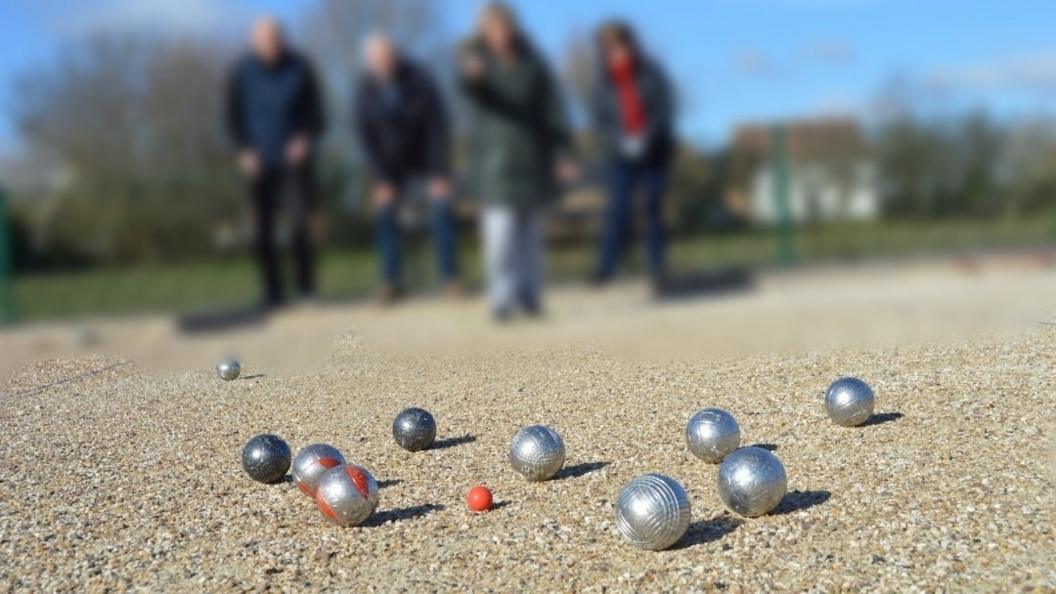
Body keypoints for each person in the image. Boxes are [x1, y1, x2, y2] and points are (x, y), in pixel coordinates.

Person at [459, 2, 577, 321]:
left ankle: (529, 295)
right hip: (495, 161)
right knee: (499, 237)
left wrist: (563, 152)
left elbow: (554, 108)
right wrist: (475, 75)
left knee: (529, 236)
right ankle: (501, 297)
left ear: (511, 27)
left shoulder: (533, 61)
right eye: (490, 29)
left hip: (532, 156)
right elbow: (469, 85)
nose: (497, 34)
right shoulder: (475, 56)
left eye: (502, 27)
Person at [226, 16, 325, 308]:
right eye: (264, 39)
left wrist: (305, 137)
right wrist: (245, 150)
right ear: (254, 41)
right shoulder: (241, 73)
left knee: (300, 224)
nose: (270, 44)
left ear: (283, 39)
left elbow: (318, 113)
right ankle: (272, 292)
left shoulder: (301, 68)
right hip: (259, 161)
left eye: (275, 38)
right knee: (263, 229)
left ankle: (306, 288)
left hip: (296, 159)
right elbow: (233, 118)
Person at [355, 34, 460, 304]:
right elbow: (367, 139)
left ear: (396, 55)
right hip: (390, 165)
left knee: (442, 203)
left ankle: (450, 278)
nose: (384, 63)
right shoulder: (364, 89)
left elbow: (438, 126)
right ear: (370, 62)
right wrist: (381, 180)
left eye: (388, 56)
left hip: (426, 158)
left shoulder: (420, 78)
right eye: (377, 59)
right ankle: (390, 282)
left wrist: (439, 173)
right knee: (385, 207)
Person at [590, 21, 675, 286]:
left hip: (653, 151)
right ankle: (606, 268)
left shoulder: (651, 73)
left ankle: (657, 265)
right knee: (618, 210)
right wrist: (620, 141)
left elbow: (664, 109)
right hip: (619, 157)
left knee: (652, 206)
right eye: (609, 48)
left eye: (620, 46)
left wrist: (646, 137)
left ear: (631, 45)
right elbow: (600, 122)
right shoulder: (601, 84)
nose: (616, 53)